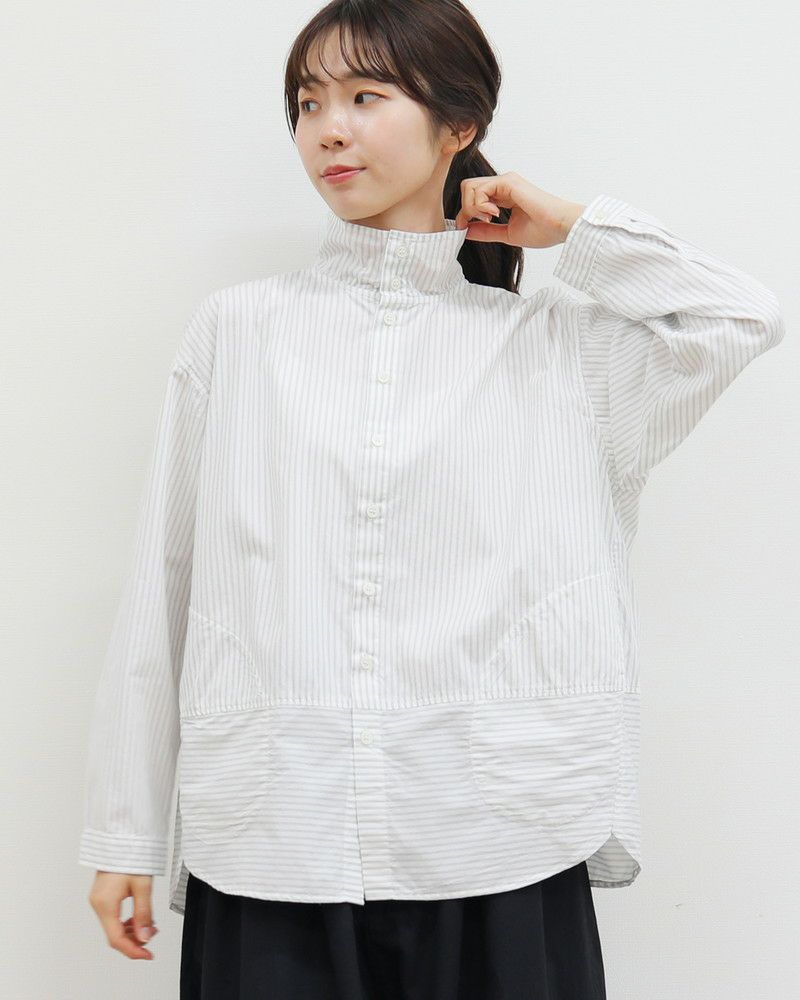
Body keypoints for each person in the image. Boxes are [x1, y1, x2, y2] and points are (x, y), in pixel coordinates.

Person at [80, 1, 785, 996]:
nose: (328, 129)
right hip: (276, 839)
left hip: (500, 838)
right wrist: (125, 829)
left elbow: (740, 316)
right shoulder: (237, 334)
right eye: (307, 102)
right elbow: (167, 580)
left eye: (365, 96)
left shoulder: (559, 345)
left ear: (459, 124)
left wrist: (572, 230)